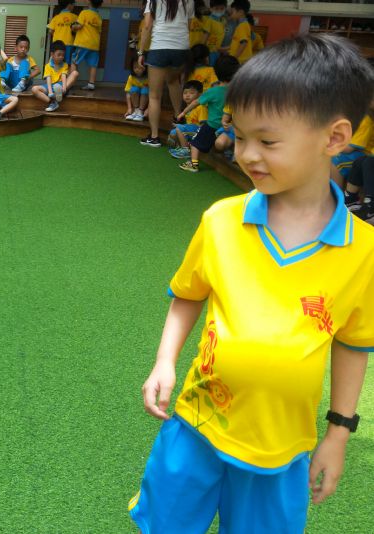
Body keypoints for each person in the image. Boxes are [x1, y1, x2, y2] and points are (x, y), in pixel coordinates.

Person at [131, 34, 374, 533]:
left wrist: (338, 434)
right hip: (196, 425)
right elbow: (187, 295)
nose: (246, 154)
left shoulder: (363, 250)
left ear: (334, 138)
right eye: (239, 137)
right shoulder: (221, 219)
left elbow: (354, 342)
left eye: (267, 141)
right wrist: (164, 361)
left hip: (281, 449)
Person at [137, 0, 194, 148]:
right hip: (181, 48)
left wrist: (141, 52)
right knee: (174, 82)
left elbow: (147, 25)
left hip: (159, 47)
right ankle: (178, 119)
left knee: (154, 95)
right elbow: (189, 26)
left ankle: (154, 137)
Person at [175, 55, 239, 172]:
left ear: (216, 72)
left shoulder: (213, 91)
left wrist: (183, 112)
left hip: (212, 126)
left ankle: (194, 164)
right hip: (230, 126)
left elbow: (196, 102)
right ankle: (231, 152)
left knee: (195, 143)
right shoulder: (237, 91)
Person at [32, 40, 75, 112]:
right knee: (34, 89)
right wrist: (50, 92)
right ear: (52, 54)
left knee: (75, 73)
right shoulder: (48, 66)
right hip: (50, 86)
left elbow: (63, 76)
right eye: (59, 55)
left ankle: (60, 93)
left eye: (63, 55)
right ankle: (53, 102)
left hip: (60, 85)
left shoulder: (64, 65)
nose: (61, 57)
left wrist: (64, 87)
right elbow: (48, 79)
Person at [168, 80, 206, 158]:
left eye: (191, 93)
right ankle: (179, 148)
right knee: (172, 133)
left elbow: (203, 124)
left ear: (200, 95)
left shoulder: (201, 107)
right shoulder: (187, 107)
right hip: (189, 130)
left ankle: (186, 151)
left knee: (179, 128)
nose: (187, 95)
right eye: (185, 93)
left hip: (198, 132)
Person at [71, 0, 103, 91]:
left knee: (74, 61)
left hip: (83, 43)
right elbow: (99, 31)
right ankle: (91, 84)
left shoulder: (84, 12)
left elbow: (79, 26)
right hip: (95, 44)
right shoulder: (98, 16)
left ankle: (71, 82)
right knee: (93, 64)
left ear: (89, 2)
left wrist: (72, 27)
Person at [46, 0, 77, 66]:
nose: (74, 6)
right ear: (69, 5)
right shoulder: (75, 17)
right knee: (67, 64)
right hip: (69, 44)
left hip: (57, 45)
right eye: (73, 4)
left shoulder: (56, 17)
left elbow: (50, 31)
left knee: (55, 63)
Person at [227, 0, 253, 64]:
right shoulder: (242, 24)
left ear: (241, 12)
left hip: (240, 60)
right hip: (240, 59)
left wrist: (234, 59)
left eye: (232, 12)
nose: (231, 15)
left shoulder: (242, 25)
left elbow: (243, 43)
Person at [124, 56, 149, 121]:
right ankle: (136, 111)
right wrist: (129, 108)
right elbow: (128, 93)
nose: (137, 69)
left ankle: (140, 112)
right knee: (133, 89)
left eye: (140, 67)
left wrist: (149, 109)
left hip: (146, 98)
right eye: (135, 67)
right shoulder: (131, 77)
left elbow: (153, 95)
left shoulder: (149, 78)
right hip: (135, 100)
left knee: (145, 89)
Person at [207, 0, 228, 65]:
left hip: (219, 50)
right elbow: (204, 36)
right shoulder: (209, 20)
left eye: (222, 8)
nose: (219, 11)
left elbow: (225, 32)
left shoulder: (223, 19)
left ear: (225, 8)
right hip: (210, 51)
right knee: (211, 68)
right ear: (211, 9)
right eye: (216, 8)